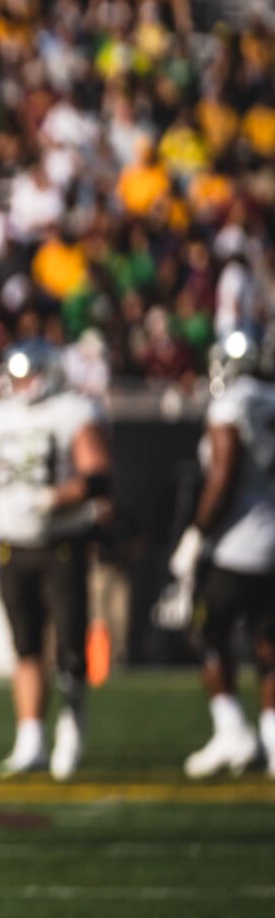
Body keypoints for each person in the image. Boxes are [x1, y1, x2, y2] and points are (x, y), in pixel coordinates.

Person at [0, 339, 111, 779]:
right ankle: (29, 739)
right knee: (25, 647)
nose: (21, 383)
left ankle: (72, 720)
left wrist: (54, 498)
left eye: (27, 374)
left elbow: (98, 478)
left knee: (69, 649)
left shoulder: (73, 412)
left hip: (61, 543)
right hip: (12, 544)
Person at [170, 328, 275, 777]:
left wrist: (197, 534)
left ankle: (232, 730)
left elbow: (223, 476)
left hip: (236, 545)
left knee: (204, 632)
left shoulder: (231, 405)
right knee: (268, 645)